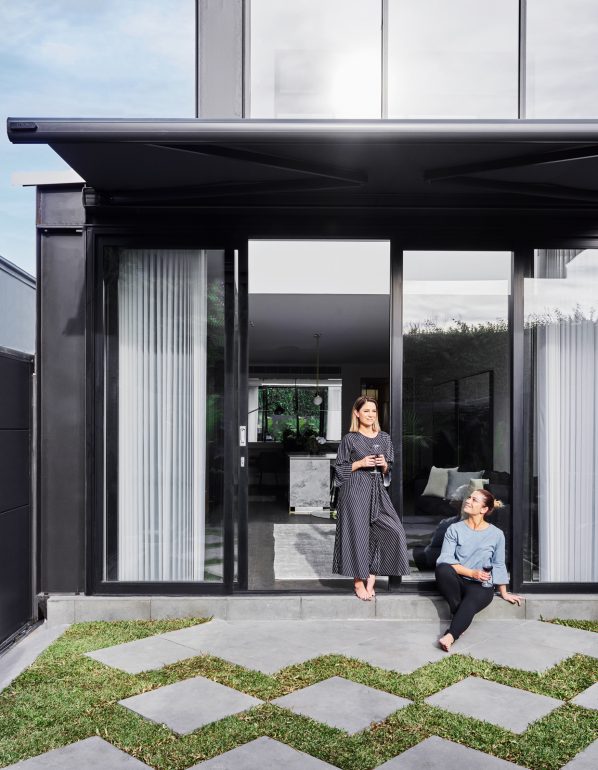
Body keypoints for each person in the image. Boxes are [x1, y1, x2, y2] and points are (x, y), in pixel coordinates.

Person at [332, 395, 410, 600]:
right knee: (357, 535)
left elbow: (389, 472)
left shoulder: (384, 438)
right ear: (357, 413)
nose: (370, 415)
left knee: (394, 531)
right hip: (355, 489)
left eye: (373, 411)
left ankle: (372, 578)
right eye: (366, 411)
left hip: (377, 488)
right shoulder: (350, 439)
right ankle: (359, 582)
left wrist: (384, 464)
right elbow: (339, 470)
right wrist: (360, 463)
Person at [435, 488, 523, 651]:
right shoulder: (454, 529)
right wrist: (471, 573)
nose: (468, 501)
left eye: (474, 500)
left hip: (481, 585)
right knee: (443, 569)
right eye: (469, 497)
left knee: (471, 601)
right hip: (458, 580)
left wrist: (503, 592)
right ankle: (461, 619)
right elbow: (445, 559)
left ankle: (451, 635)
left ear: (484, 509)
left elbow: (498, 563)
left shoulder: (496, 534)